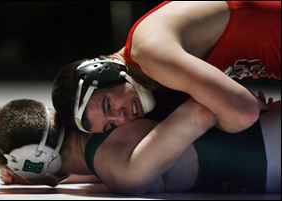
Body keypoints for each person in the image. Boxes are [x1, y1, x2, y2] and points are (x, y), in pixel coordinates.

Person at [52, 1, 280, 135]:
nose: (121, 118)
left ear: (104, 71)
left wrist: (211, 115)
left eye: (108, 104)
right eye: (110, 125)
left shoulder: (151, 54)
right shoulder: (151, 76)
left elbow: (244, 111)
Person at [0, 98, 281, 194]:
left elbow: (201, 111)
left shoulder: (121, 171)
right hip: (266, 135)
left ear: (36, 162)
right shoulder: (106, 124)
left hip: (269, 156)